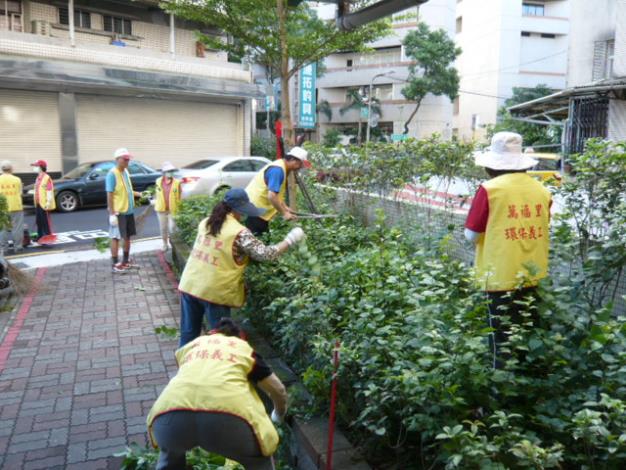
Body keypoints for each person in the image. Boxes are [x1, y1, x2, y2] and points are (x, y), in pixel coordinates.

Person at [147, 318, 287, 470]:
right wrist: (279, 414)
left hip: (168, 414)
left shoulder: (193, 346)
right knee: (259, 460)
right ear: (239, 337)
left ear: (212, 333)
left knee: (170, 461)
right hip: (230, 420)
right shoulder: (243, 350)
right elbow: (278, 389)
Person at [464, 132, 551, 369]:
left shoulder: (490, 189)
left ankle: (501, 394)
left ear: (492, 164)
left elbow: (471, 234)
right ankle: (529, 386)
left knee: (500, 341)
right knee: (528, 335)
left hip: (499, 276)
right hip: (532, 274)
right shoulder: (542, 190)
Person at [178, 188, 305, 347]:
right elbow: (264, 254)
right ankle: (222, 371)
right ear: (237, 210)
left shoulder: (206, 222)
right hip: (214, 292)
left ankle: (185, 369)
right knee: (223, 341)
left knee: (188, 334)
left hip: (189, 284)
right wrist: (290, 239)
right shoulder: (240, 232)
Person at [245, 146, 310, 235]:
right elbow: (272, 196)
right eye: (300, 164)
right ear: (293, 160)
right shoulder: (278, 170)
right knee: (256, 241)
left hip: (256, 209)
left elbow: (276, 194)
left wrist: (285, 208)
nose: (300, 167)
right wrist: (284, 213)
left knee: (262, 238)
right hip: (254, 209)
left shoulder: (282, 167)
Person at [106, 148, 142, 273]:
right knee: (115, 237)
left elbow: (127, 190)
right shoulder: (112, 174)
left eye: (128, 159)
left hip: (128, 210)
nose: (127, 161)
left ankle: (125, 261)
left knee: (127, 237)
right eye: (125, 159)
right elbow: (109, 195)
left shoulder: (125, 172)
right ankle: (115, 264)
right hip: (118, 212)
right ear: (117, 160)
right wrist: (112, 214)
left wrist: (140, 194)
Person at [154, 162, 181, 252]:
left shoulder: (177, 182)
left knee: (173, 228)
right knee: (163, 228)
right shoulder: (158, 181)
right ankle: (165, 244)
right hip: (161, 209)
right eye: (168, 171)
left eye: (171, 171)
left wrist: (180, 207)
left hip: (173, 209)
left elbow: (179, 196)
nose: (170, 172)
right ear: (164, 172)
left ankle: (174, 245)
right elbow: (157, 193)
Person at [0, 161, 24, 253]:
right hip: (16, 206)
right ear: (11, 169)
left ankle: (3, 248)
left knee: (3, 228)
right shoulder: (17, 179)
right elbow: (20, 193)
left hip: (2, 208)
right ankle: (18, 247)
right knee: (17, 228)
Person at [31, 159, 55, 241]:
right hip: (38, 203)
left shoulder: (46, 178)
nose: (34, 168)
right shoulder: (38, 178)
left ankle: (47, 237)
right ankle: (40, 236)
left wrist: (48, 202)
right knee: (39, 221)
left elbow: (49, 190)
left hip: (44, 204)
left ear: (41, 167)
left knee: (45, 221)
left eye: (36, 166)